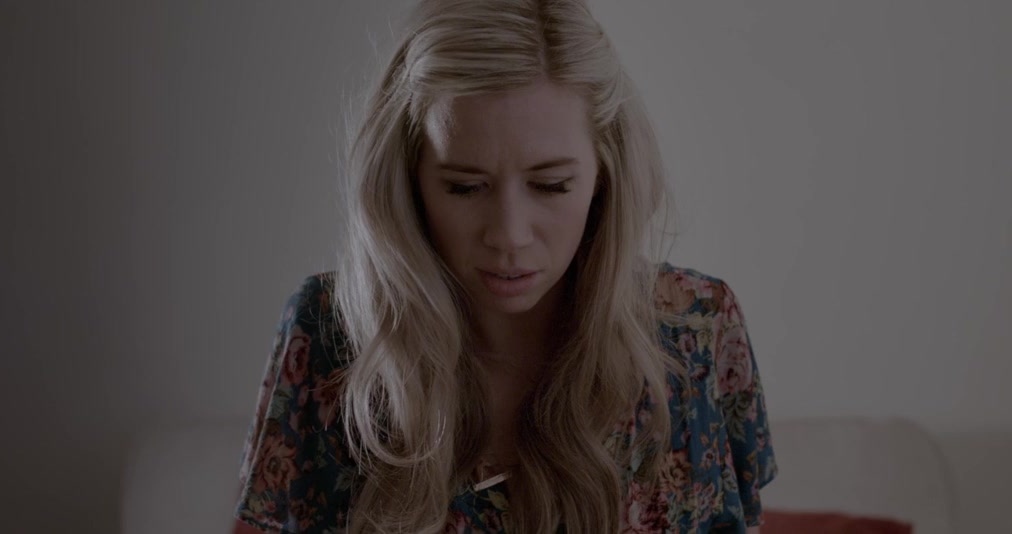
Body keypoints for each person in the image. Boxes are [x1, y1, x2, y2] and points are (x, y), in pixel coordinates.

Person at [234, 0, 777, 532]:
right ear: (409, 181)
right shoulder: (327, 332)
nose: (509, 235)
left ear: (604, 174)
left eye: (551, 185)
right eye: (465, 187)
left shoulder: (696, 329)